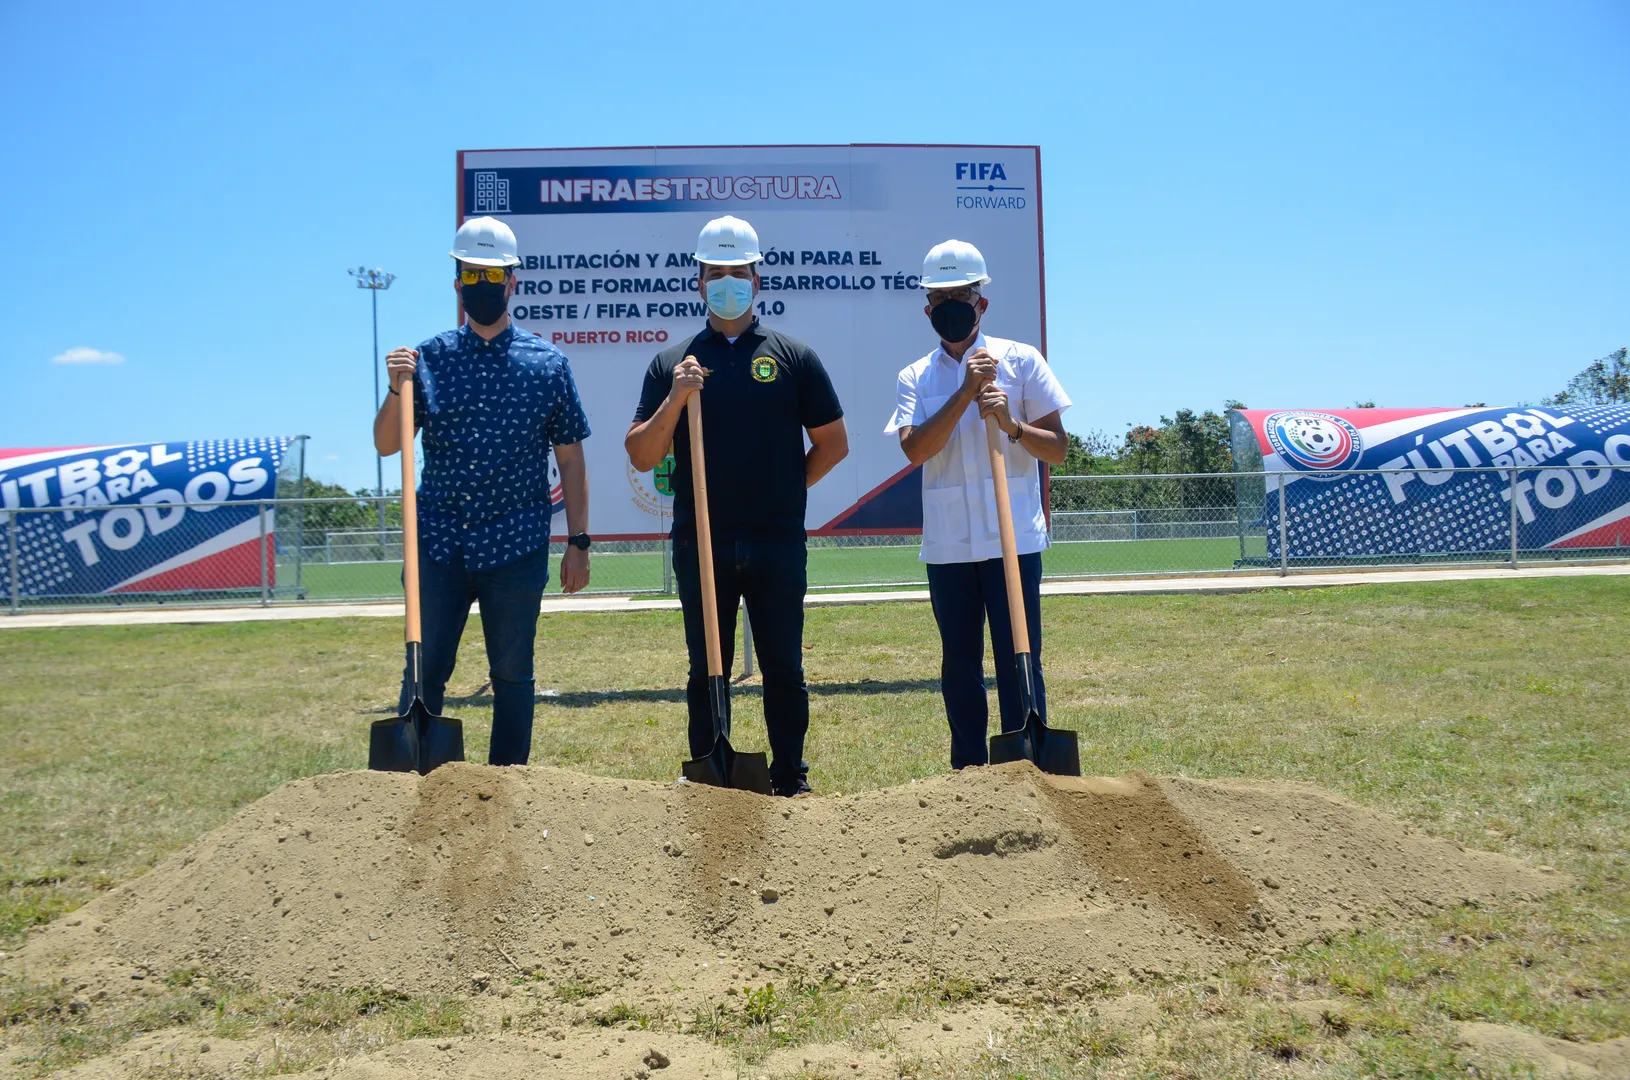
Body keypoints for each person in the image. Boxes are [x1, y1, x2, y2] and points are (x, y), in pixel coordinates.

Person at [625, 215, 849, 796]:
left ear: (757, 278)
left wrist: (788, 490)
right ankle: (710, 773)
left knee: (783, 666)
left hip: (776, 538)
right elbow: (642, 454)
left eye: (739, 272)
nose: (728, 283)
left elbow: (833, 443)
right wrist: (677, 397)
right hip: (702, 540)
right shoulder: (673, 363)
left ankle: (790, 775)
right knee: (708, 665)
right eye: (716, 273)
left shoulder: (793, 356)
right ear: (699, 281)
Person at [374, 215, 593, 766]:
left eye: (493, 275)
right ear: (457, 284)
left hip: (516, 546)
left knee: (513, 674)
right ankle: (411, 779)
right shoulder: (430, 360)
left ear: (512, 281)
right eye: (471, 275)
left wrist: (579, 541)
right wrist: (396, 389)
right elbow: (386, 444)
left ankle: (506, 785)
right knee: (424, 670)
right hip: (438, 547)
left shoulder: (548, 365)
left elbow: (570, 459)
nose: (482, 285)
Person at [885, 239, 1071, 769]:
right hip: (950, 545)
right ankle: (968, 773)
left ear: (981, 303)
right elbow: (916, 450)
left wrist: (1012, 424)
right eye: (940, 299)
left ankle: (1026, 764)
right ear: (927, 310)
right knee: (959, 665)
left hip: (1015, 539)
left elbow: (1058, 449)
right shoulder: (915, 377)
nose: (950, 307)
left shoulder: (1021, 360)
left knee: (1020, 657)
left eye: (961, 297)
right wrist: (965, 392)